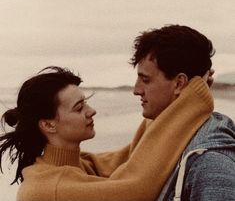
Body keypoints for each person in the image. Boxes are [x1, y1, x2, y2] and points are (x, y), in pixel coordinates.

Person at [0, 63, 213, 201]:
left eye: (87, 103)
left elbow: (134, 155)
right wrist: (189, 103)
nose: (91, 111)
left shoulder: (75, 165)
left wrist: (174, 101)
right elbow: (137, 188)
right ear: (48, 125)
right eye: (79, 108)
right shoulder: (48, 189)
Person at [129, 24, 235, 200]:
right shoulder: (166, 138)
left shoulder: (209, 162)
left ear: (179, 83)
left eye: (145, 80)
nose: (136, 90)